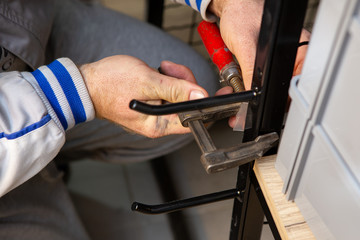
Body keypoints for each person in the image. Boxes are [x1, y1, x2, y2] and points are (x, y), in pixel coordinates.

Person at [0, 0, 309, 239]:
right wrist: (78, 93)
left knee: (189, 96)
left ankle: (52, 146)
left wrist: (227, 3)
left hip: (21, 28)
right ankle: (38, 162)